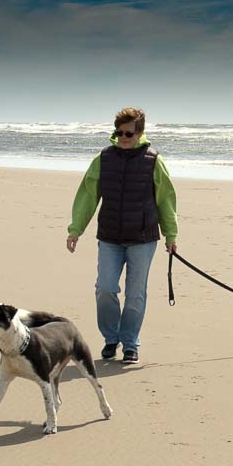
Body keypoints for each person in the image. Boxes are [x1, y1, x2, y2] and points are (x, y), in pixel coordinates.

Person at [66, 107, 178, 365]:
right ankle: (110, 338)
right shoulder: (103, 159)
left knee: (136, 293)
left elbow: (166, 201)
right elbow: (87, 197)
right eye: (119, 133)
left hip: (143, 239)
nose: (123, 137)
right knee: (105, 288)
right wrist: (76, 229)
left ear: (140, 133)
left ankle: (130, 343)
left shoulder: (153, 160)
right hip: (110, 238)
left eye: (128, 133)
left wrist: (171, 235)